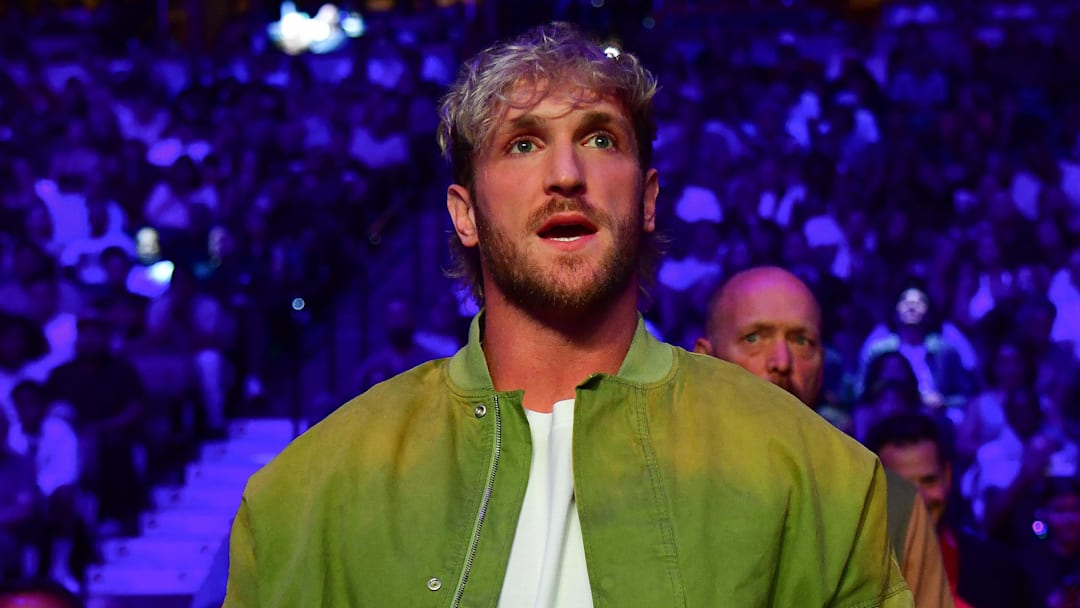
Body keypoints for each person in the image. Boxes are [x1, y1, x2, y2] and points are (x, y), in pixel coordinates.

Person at [224, 23, 910, 607]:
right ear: (464, 214)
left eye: (600, 139)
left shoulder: (814, 476)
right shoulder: (311, 494)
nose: (566, 175)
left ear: (646, 200)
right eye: (522, 143)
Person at [695, 265, 949, 607]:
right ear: (704, 359)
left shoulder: (888, 505)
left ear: (822, 364)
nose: (782, 362)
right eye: (754, 338)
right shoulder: (661, 485)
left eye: (802, 341)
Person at [866, 412, 1023, 608]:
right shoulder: (852, 575)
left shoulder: (997, 569)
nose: (919, 499)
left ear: (947, 477)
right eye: (903, 487)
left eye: (929, 481)